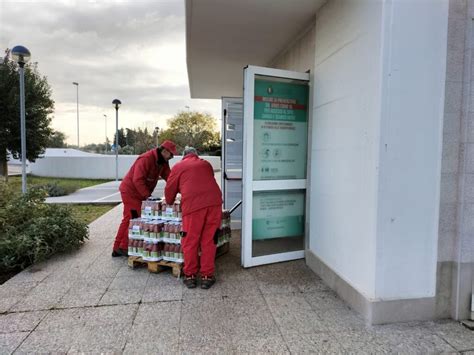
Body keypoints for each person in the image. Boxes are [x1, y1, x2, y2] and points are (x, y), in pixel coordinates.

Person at [164, 146, 222, 289]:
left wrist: (170, 200)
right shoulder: (206, 164)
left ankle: (190, 275)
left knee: (190, 240)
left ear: (184, 156)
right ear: (196, 154)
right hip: (214, 203)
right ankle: (207, 276)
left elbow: (169, 189)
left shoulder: (178, 167)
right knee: (209, 240)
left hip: (193, 206)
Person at [112, 140, 177, 257]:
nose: (172, 157)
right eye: (171, 154)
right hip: (130, 192)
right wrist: (148, 197)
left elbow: (169, 177)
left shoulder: (163, 161)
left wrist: (179, 188)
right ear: (164, 151)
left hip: (140, 193)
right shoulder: (146, 158)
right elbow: (137, 179)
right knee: (132, 218)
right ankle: (120, 247)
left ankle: (121, 247)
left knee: (133, 218)